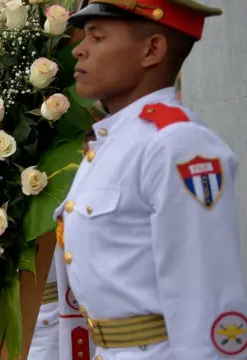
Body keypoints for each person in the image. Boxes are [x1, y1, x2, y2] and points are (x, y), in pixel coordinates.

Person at [56, 1, 247, 359]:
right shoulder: (111, 142)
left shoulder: (176, 143)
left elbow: (204, 293)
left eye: (98, 38)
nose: (79, 49)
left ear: (152, 50)